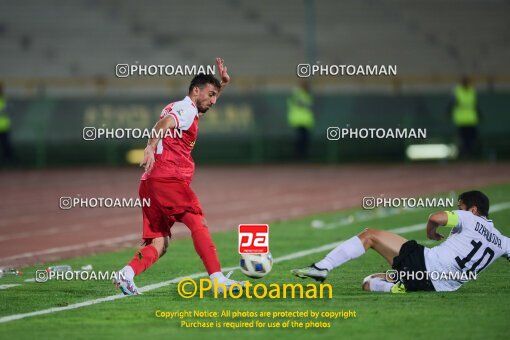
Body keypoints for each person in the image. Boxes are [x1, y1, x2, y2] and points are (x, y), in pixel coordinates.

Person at [114, 58, 245, 295]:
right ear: (196, 91)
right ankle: (217, 279)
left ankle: (126, 274)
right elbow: (163, 123)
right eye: (211, 94)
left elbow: (184, 115)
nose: (214, 101)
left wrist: (222, 85)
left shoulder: (185, 107)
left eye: (216, 95)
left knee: (159, 243)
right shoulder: (184, 109)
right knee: (198, 222)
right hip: (169, 179)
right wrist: (150, 145)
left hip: (151, 183)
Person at [291, 191, 509, 293]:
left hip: (425, 265)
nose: (458, 210)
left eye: (460, 207)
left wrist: (431, 232)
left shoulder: (469, 217)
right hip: (443, 286)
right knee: (368, 281)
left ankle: (321, 267)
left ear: (473, 209)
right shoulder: (502, 241)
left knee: (369, 235)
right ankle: (398, 288)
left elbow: (436, 217)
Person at [448, 76, 482, 158]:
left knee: (472, 138)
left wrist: (480, 115)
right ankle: (464, 154)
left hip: (471, 119)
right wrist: (447, 112)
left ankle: (470, 153)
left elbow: (475, 105)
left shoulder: (472, 91)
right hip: (461, 120)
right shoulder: (458, 91)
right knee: (463, 139)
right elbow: (452, 104)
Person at [287, 81, 314, 160]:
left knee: (305, 140)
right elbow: (296, 103)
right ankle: (298, 157)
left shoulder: (308, 95)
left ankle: (303, 157)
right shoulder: (296, 94)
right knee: (299, 139)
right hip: (298, 121)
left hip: (306, 122)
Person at [0, 83, 13, 162]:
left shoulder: (5, 100)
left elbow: (9, 111)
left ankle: (8, 160)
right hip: (4, 126)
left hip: (5, 127)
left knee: (6, 145)